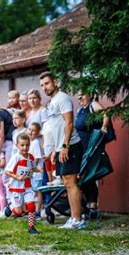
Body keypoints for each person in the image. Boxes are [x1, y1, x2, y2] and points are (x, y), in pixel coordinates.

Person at [39, 71, 84, 229]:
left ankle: (78, 219)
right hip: (60, 148)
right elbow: (54, 128)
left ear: (55, 82)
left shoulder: (63, 98)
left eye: (47, 83)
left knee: (71, 183)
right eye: (42, 85)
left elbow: (69, 123)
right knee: (66, 183)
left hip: (69, 146)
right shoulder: (52, 102)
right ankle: (73, 218)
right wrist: (54, 151)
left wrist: (65, 146)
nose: (45, 87)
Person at [75, 92, 111, 211]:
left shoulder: (93, 104)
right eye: (78, 96)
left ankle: (93, 204)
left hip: (90, 146)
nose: (80, 98)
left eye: (82, 95)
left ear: (90, 95)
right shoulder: (80, 110)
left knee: (88, 175)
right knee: (82, 176)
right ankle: (88, 206)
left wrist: (104, 126)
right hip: (80, 148)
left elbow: (106, 114)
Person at [4, 133, 40, 234]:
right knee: (18, 212)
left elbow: (32, 168)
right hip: (16, 188)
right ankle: (10, 206)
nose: (25, 147)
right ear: (17, 146)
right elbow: (7, 171)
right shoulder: (16, 158)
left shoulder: (31, 157)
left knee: (32, 206)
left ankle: (31, 227)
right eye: (22, 145)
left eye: (27, 145)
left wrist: (38, 170)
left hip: (28, 187)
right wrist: (17, 177)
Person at [28, 122, 44, 215]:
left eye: (33, 130)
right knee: (33, 191)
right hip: (32, 173)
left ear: (38, 133)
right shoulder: (30, 143)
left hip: (37, 172)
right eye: (29, 129)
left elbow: (36, 158)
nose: (31, 132)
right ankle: (33, 210)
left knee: (38, 192)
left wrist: (32, 168)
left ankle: (38, 210)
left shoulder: (36, 143)